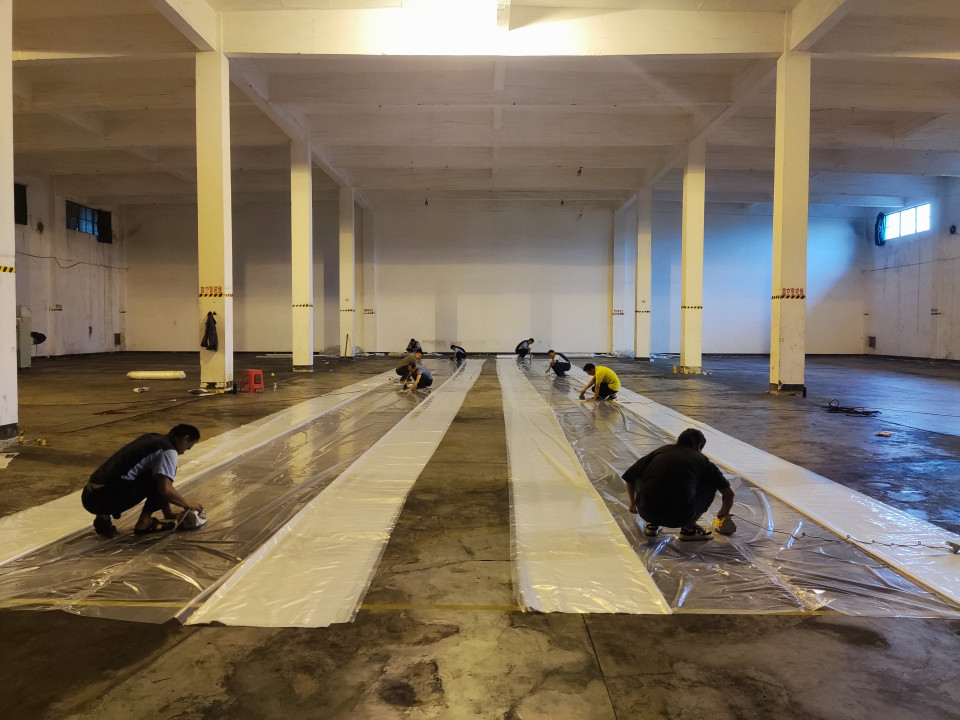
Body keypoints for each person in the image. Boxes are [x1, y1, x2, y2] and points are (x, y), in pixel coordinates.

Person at [81, 424, 203, 536]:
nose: (183, 452)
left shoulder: (152, 437)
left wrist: (168, 514)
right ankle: (145, 522)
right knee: (163, 475)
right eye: (187, 447)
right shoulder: (169, 451)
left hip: (89, 496)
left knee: (157, 471)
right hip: (108, 499)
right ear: (185, 438)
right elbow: (165, 489)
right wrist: (187, 505)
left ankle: (102, 517)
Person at [622, 428, 734, 541]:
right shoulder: (702, 460)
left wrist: (633, 503)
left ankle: (652, 524)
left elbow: (629, 477)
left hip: (646, 512)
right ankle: (689, 529)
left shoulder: (661, 451)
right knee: (711, 482)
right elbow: (728, 493)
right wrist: (722, 513)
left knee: (642, 473)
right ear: (699, 446)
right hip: (681, 517)